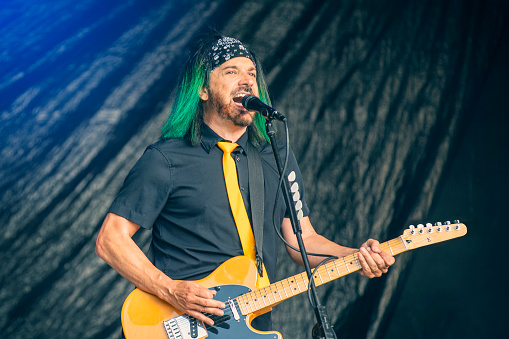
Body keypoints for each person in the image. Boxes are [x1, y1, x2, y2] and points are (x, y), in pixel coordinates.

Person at [95, 31, 395, 333]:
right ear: (202, 90)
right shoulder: (166, 159)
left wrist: (356, 255)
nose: (247, 80)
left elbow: (301, 241)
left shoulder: (276, 156)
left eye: (251, 73)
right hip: (179, 322)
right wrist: (170, 289)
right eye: (231, 71)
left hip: (251, 323)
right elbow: (110, 239)